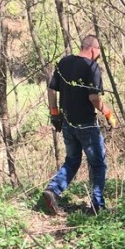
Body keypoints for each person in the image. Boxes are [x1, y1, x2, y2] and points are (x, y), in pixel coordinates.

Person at [41, 34, 115, 216]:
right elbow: (94, 98)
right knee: (98, 164)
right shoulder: (92, 67)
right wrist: (108, 113)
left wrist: (54, 112)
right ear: (93, 49)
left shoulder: (64, 62)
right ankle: (98, 206)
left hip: (67, 122)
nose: (98, 55)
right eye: (98, 52)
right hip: (87, 125)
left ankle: (53, 190)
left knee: (73, 160)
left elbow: (51, 88)